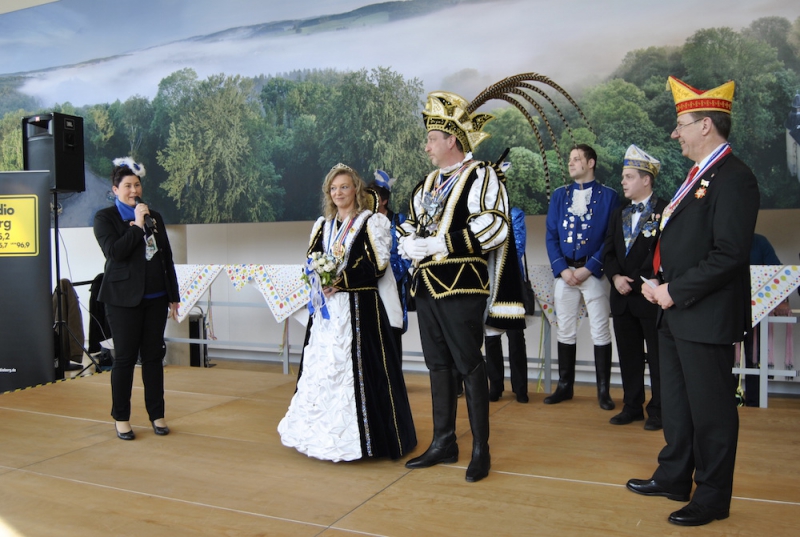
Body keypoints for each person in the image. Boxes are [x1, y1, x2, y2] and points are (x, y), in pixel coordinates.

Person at [628, 77, 759, 527]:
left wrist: (674, 290)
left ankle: (713, 496)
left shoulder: (735, 177)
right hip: (676, 311)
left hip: (704, 314)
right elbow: (685, 244)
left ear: (706, 125)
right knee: (678, 404)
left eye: (681, 125)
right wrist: (659, 280)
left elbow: (729, 254)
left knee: (711, 411)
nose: (674, 133)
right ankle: (673, 476)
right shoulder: (697, 176)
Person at [399, 91, 524, 483]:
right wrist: (407, 241)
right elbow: (412, 222)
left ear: (451, 140)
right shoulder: (428, 183)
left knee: (469, 365)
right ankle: (444, 442)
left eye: (432, 139)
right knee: (437, 365)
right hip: (426, 287)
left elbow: (494, 225)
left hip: (462, 287)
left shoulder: (481, 174)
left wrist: (441, 244)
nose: (426, 146)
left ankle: (481, 449)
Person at [277, 163, 416, 462]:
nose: (338, 193)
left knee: (362, 374)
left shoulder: (371, 222)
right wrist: (319, 277)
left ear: (356, 190)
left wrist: (340, 280)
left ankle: (369, 443)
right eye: (333, 188)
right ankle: (318, 437)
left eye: (344, 187)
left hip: (360, 309)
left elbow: (377, 265)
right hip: (328, 312)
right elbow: (312, 258)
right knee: (323, 368)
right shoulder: (323, 225)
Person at [93, 157, 180, 440]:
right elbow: (115, 253)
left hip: (156, 298)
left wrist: (173, 295)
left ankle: (157, 414)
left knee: (154, 357)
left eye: (137, 185)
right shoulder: (105, 218)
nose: (134, 190)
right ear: (115, 190)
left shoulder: (155, 216)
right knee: (125, 359)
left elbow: (165, 257)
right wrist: (137, 225)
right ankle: (121, 418)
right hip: (122, 301)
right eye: (128, 186)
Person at [544, 144, 619, 409]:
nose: (571, 163)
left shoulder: (609, 196)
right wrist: (563, 269)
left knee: (600, 328)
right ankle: (565, 386)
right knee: (564, 328)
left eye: (577, 159)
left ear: (591, 163)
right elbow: (551, 235)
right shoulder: (559, 196)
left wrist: (590, 268)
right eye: (570, 159)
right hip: (565, 273)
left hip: (594, 273)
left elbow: (611, 238)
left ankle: (603, 392)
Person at [603, 145, 667, 430]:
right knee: (629, 356)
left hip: (651, 297)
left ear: (646, 179)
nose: (623, 182)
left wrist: (649, 280)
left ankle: (659, 410)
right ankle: (632, 406)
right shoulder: (619, 213)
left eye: (628, 177)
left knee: (658, 357)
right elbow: (608, 252)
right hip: (622, 297)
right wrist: (615, 277)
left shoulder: (665, 210)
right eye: (623, 177)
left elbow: (668, 252)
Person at [485, 207, 529, 403]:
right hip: (488, 279)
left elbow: (518, 248)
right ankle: (495, 386)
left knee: (516, 337)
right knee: (491, 337)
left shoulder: (515, 214)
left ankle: (520, 388)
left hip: (511, 281)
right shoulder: (482, 215)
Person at [367, 170, 412, 359]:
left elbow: (407, 253)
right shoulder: (364, 222)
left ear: (384, 200)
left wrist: (391, 273)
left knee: (392, 329)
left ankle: (393, 372)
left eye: (374, 197)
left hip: (394, 282)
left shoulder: (400, 220)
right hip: (369, 283)